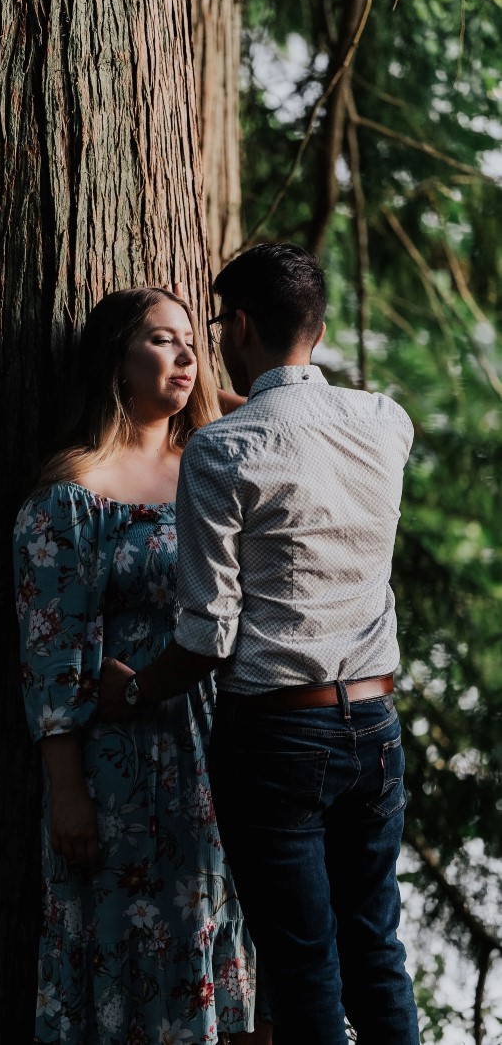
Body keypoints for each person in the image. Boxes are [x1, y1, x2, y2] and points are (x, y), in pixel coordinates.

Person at [100, 245, 420, 1044]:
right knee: (375, 949)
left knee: (303, 967)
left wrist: (133, 689)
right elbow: (299, 422)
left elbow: (208, 637)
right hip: (376, 726)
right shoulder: (384, 421)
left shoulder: (220, 452)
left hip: (277, 735)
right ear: (311, 323)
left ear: (237, 325)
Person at [13, 287, 271, 1044]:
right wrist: (66, 792)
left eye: (192, 339)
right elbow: (49, 652)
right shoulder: (73, 493)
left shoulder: (215, 465)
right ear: (113, 362)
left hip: (228, 750)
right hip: (121, 769)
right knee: (128, 947)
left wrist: (201, 398)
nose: (187, 355)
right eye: (161, 341)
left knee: (220, 934)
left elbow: (301, 409)